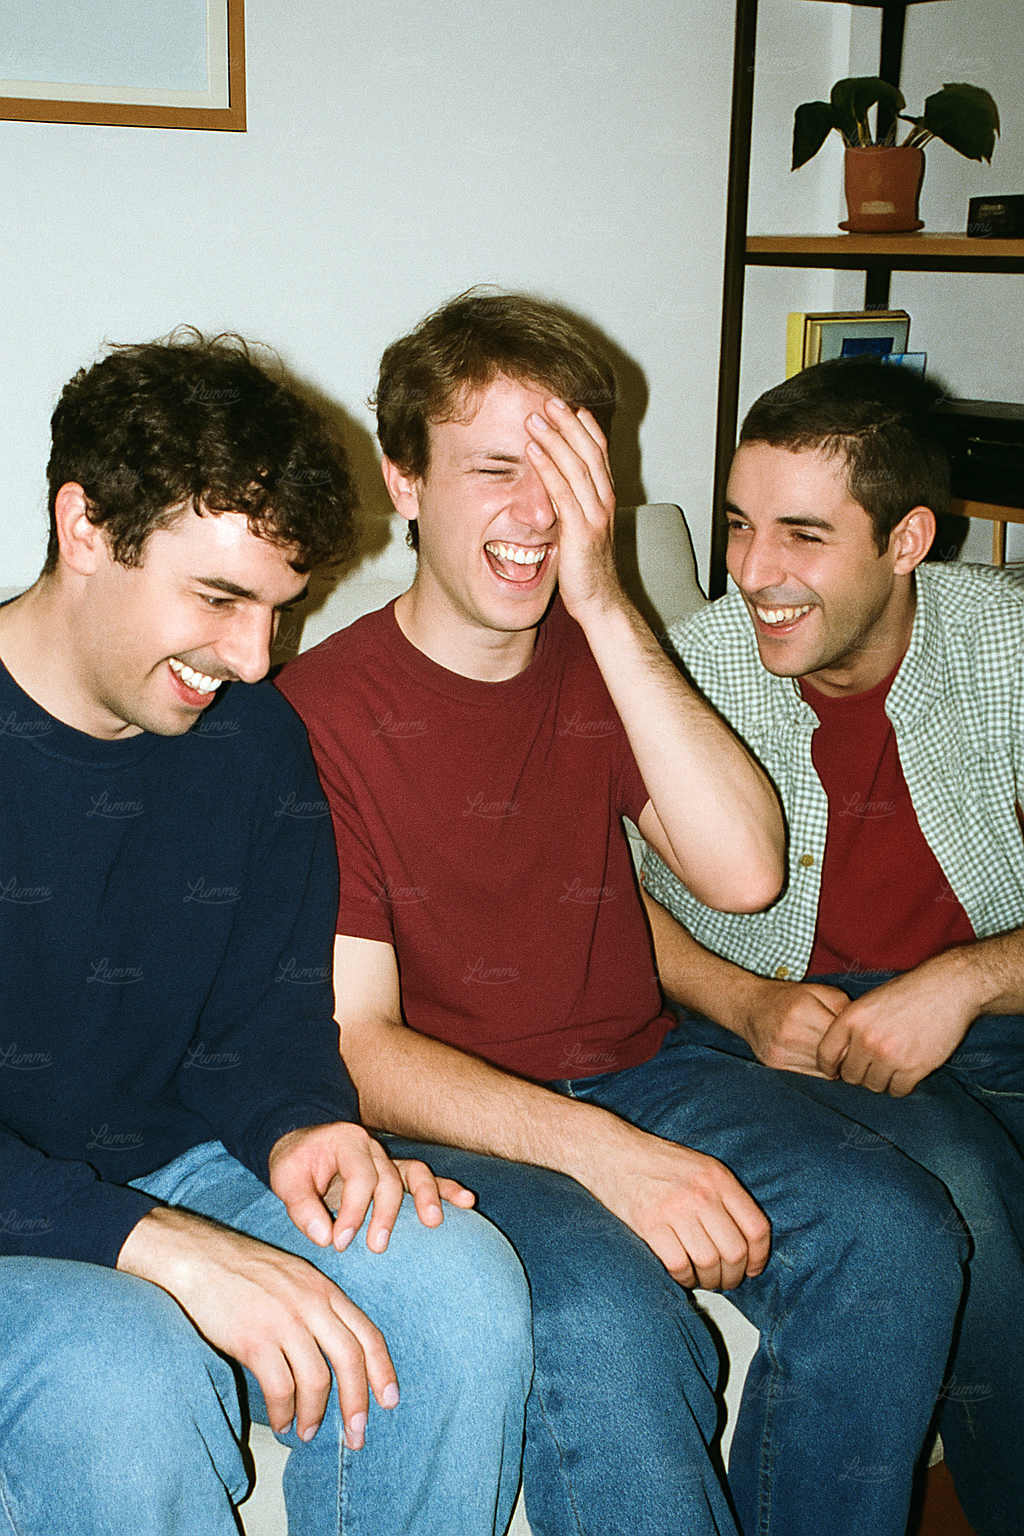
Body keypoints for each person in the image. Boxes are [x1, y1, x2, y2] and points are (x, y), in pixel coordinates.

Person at [280, 293, 969, 1536]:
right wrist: (604, 1158)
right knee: (613, 1327)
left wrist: (605, 606)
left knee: (896, 1235)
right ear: (405, 479)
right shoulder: (313, 717)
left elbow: (744, 873)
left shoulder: (607, 658)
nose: (536, 512)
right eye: (495, 468)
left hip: (644, 1068)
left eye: (563, 470)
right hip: (453, 1127)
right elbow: (360, 1048)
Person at [0, 330, 532, 1536]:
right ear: (84, 528)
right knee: (123, 1370)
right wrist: (154, 1246)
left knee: (455, 1290)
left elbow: (261, 1018)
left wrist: (299, 1123)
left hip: (173, 1163)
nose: (251, 659)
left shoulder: (251, 739)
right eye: (219, 598)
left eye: (280, 611)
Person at [639, 358, 1024, 1536]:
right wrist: (742, 999)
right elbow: (592, 897)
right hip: (788, 1038)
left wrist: (963, 982)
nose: (754, 572)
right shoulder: (684, 676)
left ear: (906, 541)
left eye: (802, 535)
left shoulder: (1006, 645)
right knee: (964, 1197)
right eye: (738, 525)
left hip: (990, 1016)